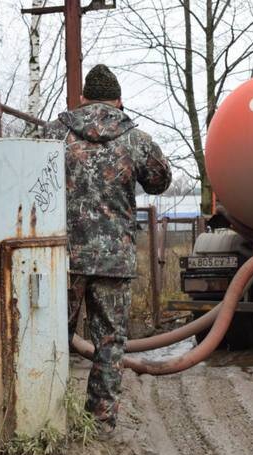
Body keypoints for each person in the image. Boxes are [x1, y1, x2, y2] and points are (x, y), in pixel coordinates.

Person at [44, 65, 172, 435]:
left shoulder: (55, 134)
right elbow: (160, 182)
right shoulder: (136, 139)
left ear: (83, 98)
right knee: (109, 342)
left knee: (52, 335)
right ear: (118, 100)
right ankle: (99, 425)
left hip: (61, 257)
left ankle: (47, 418)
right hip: (114, 259)